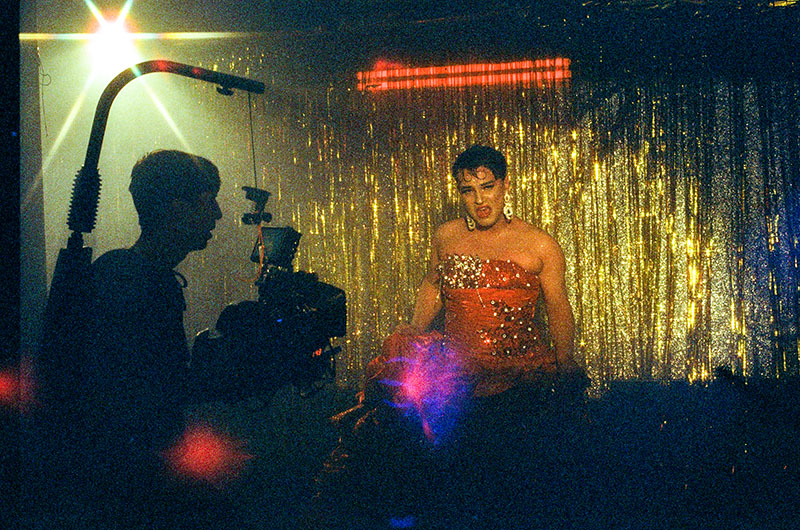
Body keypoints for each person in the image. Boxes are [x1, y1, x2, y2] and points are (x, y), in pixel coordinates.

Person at [313, 145, 589, 528]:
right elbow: (434, 285)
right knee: (449, 482)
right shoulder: (447, 236)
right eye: (467, 190)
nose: (479, 200)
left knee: (512, 485)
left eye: (487, 187)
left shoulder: (539, 244)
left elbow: (558, 306)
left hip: (517, 379)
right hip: (456, 378)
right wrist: (414, 332)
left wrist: (566, 358)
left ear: (505, 185)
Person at [28, 150, 241, 529]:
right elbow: (145, 398)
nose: (218, 214)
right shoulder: (136, 284)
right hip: (123, 490)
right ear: (177, 206)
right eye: (209, 201)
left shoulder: (124, 273)